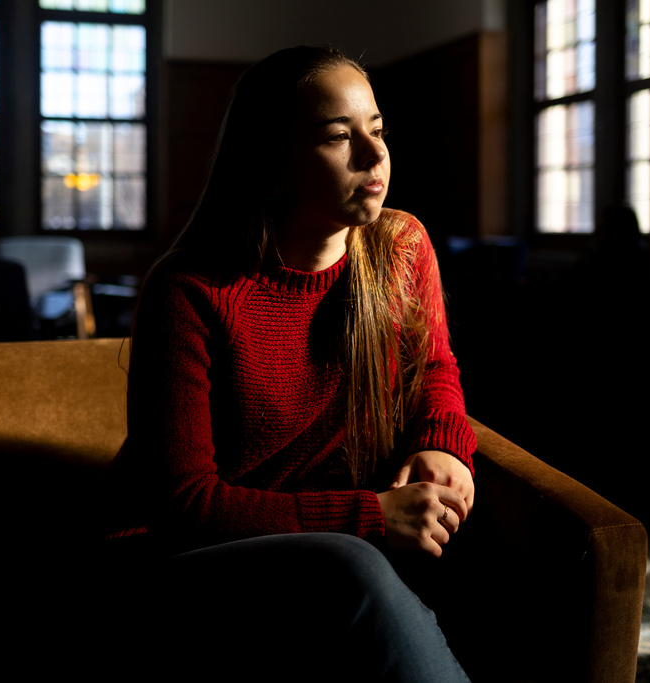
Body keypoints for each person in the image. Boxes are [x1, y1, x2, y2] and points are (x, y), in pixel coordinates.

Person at [107, 46, 477, 682]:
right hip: (188, 561)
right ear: (272, 166)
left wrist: (443, 445)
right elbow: (183, 504)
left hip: (341, 556)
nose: (373, 154)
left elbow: (435, 370)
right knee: (354, 565)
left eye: (378, 129)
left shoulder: (402, 247)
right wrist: (369, 518)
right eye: (339, 136)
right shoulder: (190, 290)